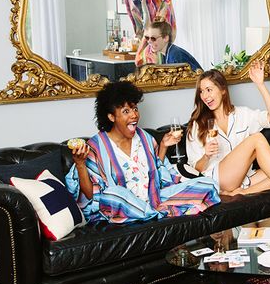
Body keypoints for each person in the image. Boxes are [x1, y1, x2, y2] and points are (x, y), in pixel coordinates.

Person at [66, 81, 219, 223]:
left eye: (135, 108)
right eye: (126, 111)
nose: (134, 115)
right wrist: (80, 164)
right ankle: (158, 214)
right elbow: (90, 195)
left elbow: (158, 173)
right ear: (111, 116)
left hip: (154, 198)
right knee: (114, 194)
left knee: (208, 184)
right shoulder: (95, 147)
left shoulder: (145, 138)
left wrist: (163, 146)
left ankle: (153, 212)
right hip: (124, 204)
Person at [185, 63, 270, 209]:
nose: (205, 96)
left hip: (245, 178)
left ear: (223, 90)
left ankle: (242, 192)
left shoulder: (242, 114)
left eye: (209, 90)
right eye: (201, 91)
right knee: (257, 139)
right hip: (218, 179)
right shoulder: (197, 125)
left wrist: (260, 84)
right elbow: (196, 168)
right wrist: (206, 156)